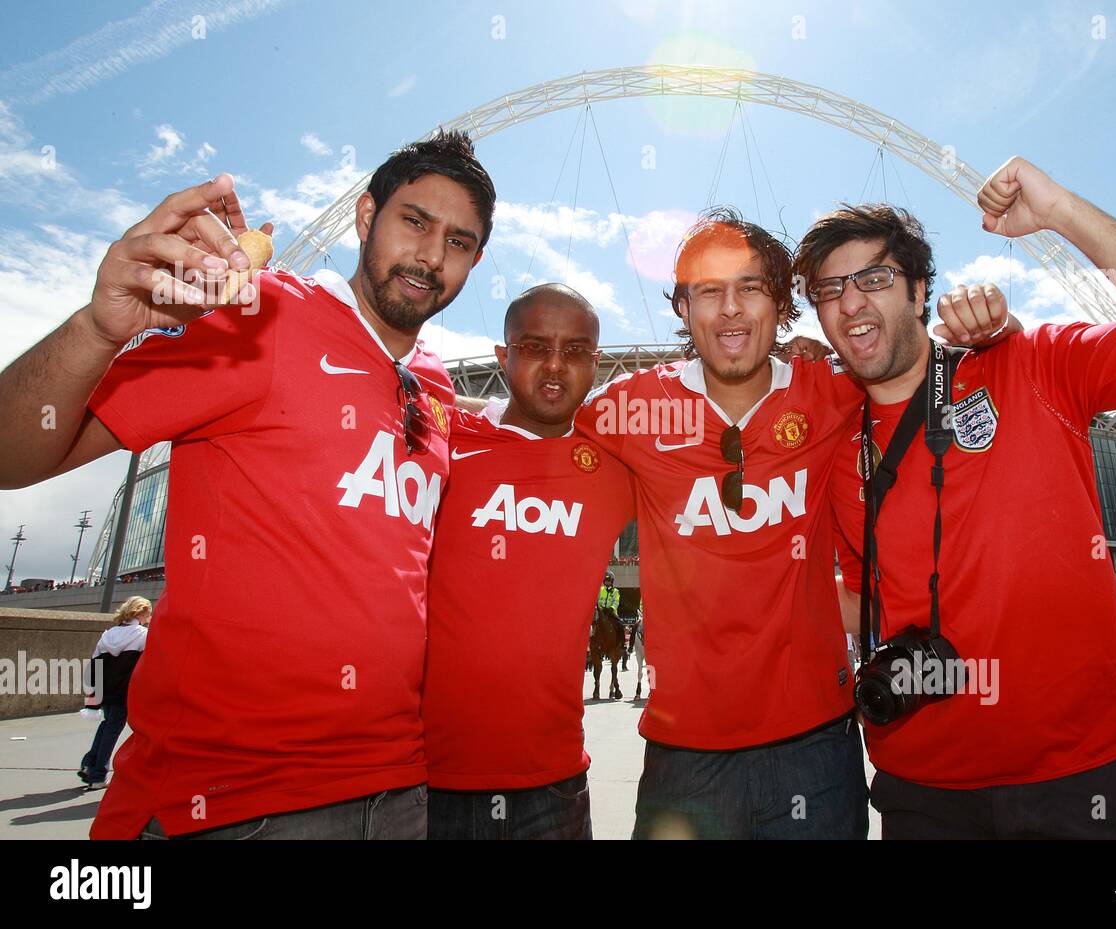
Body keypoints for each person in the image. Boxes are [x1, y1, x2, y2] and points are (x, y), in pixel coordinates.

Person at [0, 131, 495, 839]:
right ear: (365, 217)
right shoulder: (259, 316)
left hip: (398, 794)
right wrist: (97, 327)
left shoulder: (436, 387)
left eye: (459, 241)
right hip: (231, 802)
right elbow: (13, 455)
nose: (429, 256)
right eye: (414, 221)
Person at [797, 155, 1116, 839]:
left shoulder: (1030, 363)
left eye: (874, 277)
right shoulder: (831, 440)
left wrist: (1059, 212)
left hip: (1088, 780)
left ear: (921, 290)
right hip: (921, 792)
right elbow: (859, 596)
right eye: (829, 289)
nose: (851, 301)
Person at [570, 208, 1010, 839]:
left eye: (750, 288)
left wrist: (999, 327)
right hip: (684, 759)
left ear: (781, 308)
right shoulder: (630, 407)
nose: (729, 309)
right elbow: (529, 427)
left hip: (819, 751)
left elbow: (921, 366)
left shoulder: (832, 394)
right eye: (708, 291)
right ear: (683, 308)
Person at [424, 284, 635, 839]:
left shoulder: (614, 469)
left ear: (596, 362)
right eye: (537, 346)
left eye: (576, 351)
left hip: (556, 784)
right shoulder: (445, 447)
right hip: (427, 783)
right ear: (503, 357)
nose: (556, 367)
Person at [79, 596, 152, 790]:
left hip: (106, 689)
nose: (149, 617)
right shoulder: (143, 635)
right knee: (112, 730)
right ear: (140, 612)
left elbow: (96, 663)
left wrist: (94, 694)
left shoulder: (109, 634)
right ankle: (97, 775)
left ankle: (89, 763)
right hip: (125, 689)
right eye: (148, 613)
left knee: (106, 726)